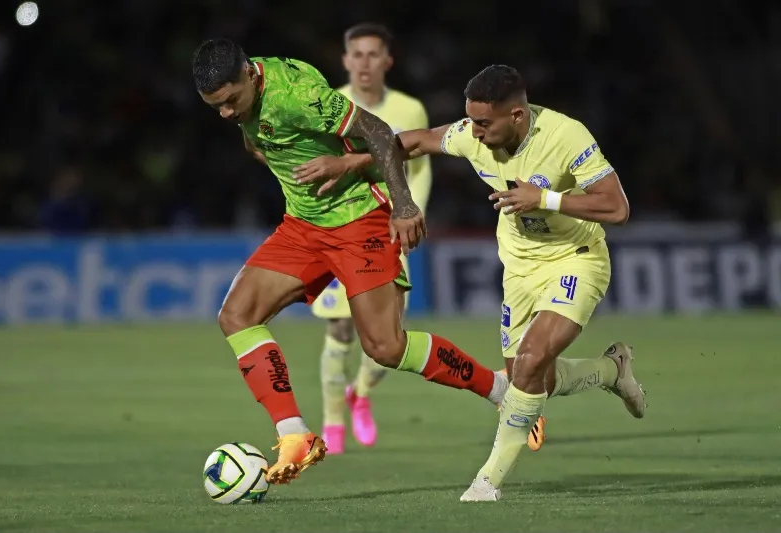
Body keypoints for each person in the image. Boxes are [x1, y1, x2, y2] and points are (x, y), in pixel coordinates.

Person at [293, 64, 646, 500]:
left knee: (533, 359)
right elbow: (416, 141)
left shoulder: (565, 136)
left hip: (575, 259)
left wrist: (545, 198)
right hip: (519, 267)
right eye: (471, 120)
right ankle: (613, 371)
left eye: (483, 122)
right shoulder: (469, 133)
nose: (474, 132)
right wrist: (354, 161)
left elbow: (617, 208)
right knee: (530, 377)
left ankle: (487, 481)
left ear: (516, 115)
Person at [191, 40, 510, 486]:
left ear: (248, 74)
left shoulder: (296, 95)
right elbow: (260, 142)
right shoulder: (247, 97)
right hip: (303, 226)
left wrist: (402, 204)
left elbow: (379, 132)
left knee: (385, 348)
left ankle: (499, 390)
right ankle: (294, 434)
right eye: (215, 107)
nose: (225, 113)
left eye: (230, 102)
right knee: (236, 316)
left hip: (359, 221)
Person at [311, 23, 433, 454]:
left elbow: (418, 167)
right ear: (345, 61)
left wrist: (409, 212)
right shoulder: (330, 104)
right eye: (356, 55)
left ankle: (360, 394)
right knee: (341, 328)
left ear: (387, 61)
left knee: (388, 336)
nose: (364, 63)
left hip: (390, 230)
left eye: (372, 55)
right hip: (343, 229)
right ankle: (331, 423)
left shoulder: (410, 109)